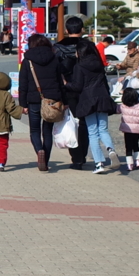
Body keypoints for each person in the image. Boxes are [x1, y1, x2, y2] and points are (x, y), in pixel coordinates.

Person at [64, 38, 120, 173]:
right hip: (102, 99)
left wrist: (66, 84)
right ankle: (110, 149)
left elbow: (77, 86)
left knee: (93, 133)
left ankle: (99, 164)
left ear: (80, 52)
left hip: (87, 101)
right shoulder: (99, 64)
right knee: (104, 129)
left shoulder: (79, 66)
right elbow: (105, 84)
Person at [19, 34, 64, 172]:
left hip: (33, 100)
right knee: (47, 132)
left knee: (34, 130)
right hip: (51, 100)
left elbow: (23, 84)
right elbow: (59, 81)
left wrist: (23, 104)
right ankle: (46, 161)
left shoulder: (28, 60)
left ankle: (39, 151)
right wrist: (64, 100)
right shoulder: (54, 58)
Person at [54, 17, 94, 170]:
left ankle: (76, 157)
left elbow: (56, 71)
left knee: (71, 123)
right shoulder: (89, 46)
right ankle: (82, 155)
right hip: (86, 89)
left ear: (66, 30)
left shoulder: (58, 48)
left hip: (67, 90)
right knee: (84, 123)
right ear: (82, 29)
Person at [117, 87, 139, 171]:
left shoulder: (123, 106)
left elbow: (115, 110)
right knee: (135, 144)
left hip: (127, 130)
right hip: (138, 130)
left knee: (128, 147)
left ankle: (130, 164)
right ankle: (138, 161)